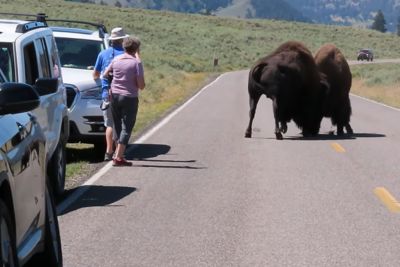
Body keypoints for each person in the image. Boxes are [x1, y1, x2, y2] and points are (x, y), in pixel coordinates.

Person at [103, 36, 145, 166]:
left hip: (115, 95)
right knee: (127, 127)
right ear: (137, 49)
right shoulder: (136, 63)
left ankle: (117, 154)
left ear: (124, 47)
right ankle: (119, 157)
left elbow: (105, 73)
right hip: (129, 97)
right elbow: (141, 85)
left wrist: (114, 80)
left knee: (117, 125)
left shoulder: (116, 59)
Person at [93, 27, 129, 161]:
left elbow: (95, 75)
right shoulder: (126, 55)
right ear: (122, 40)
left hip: (107, 95)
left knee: (109, 124)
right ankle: (119, 153)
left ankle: (108, 151)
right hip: (123, 93)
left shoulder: (103, 54)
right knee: (122, 124)